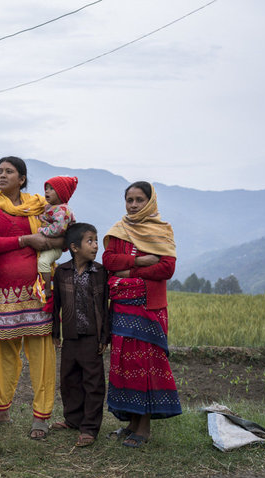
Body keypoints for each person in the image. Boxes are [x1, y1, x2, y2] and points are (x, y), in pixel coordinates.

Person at [0, 156, 64, 440]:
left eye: (9, 171)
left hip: (38, 292)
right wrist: (25, 241)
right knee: (3, 353)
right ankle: (0, 411)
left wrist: (46, 243)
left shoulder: (40, 206)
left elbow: (62, 234)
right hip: (3, 294)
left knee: (41, 354)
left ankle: (41, 416)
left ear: (22, 179)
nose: (2, 175)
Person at [102, 181, 182, 448]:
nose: (133, 205)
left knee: (145, 365)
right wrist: (137, 262)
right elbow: (108, 261)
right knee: (125, 364)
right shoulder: (119, 229)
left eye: (139, 200)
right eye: (129, 200)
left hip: (149, 309)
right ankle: (131, 423)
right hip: (123, 309)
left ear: (150, 202)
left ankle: (144, 427)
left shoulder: (162, 230)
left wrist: (127, 275)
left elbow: (166, 268)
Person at [50, 223, 109, 447]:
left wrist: (104, 337)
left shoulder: (100, 272)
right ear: (74, 247)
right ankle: (73, 419)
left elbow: (104, 306)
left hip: (92, 337)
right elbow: (56, 304)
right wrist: (56, 331)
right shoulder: (62, 271)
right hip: (71, 335)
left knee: (93, 383)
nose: (95, 246)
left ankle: (90, 427)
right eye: (90, 241)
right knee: (69, 380)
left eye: (96, 240)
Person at [35, 176, 77, 304]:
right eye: (46, 188)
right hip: (53, 243)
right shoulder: (54, 208)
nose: (47, 191)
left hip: (56, 247)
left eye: (51, 189)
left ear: (61, 193)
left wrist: (41, 231)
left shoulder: (62, 210)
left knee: (43, 262)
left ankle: (47, 289)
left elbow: (57, 229)